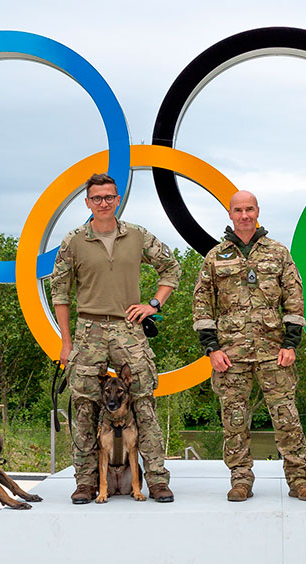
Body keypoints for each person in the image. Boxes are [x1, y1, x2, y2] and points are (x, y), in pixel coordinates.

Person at [50, 173, 181, 504]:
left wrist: (153, 304)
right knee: (83, 408)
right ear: (87, 202)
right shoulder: (73, 241)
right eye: (97, 198)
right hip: (88, 330)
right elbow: (60, 293)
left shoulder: (137, 236)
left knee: (144, 405)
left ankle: (157, 480)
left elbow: (172, 269)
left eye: (109, 197)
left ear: (118, 199)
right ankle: (85, 481)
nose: (103, 203)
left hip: (128, 328)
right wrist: (66, 342)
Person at [191, 191, 306, 502]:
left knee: (286, 417)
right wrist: (212, 348)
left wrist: (291, 343)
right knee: (234, 421)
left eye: (249, 209)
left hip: (275, 352)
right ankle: (240, 479)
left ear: (257, 211)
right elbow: (202, 305)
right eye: (238, 210)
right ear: (230, 215)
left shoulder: (277, 253)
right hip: (230, 355)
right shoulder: (215, 257)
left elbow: (295, 298)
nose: (244, 215)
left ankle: (299, 478)